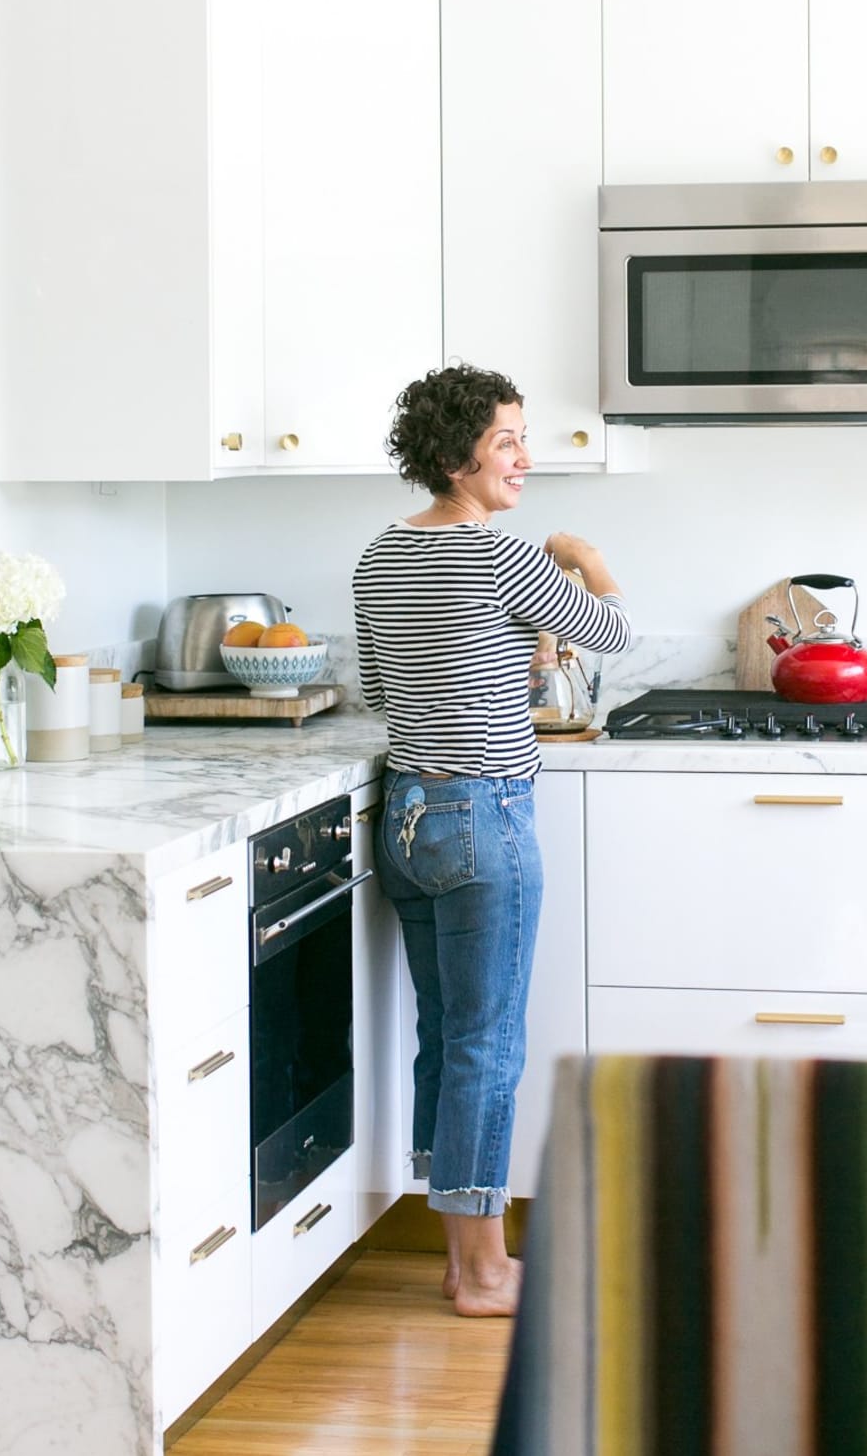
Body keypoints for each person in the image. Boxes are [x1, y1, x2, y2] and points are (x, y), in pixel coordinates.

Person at [352, 364, 630, 1317]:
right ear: (453, 458)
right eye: (506, 439)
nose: (524, 455)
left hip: (409, 815)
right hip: (484, 813)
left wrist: (515, 657)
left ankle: (459, 1251)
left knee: (450, 1036)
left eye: (522, 436)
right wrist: (583, 558)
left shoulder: (377, 559)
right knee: (489, 1044)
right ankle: (482, 1271)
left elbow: (387, 697)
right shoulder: (505, 556)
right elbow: (616, 631)